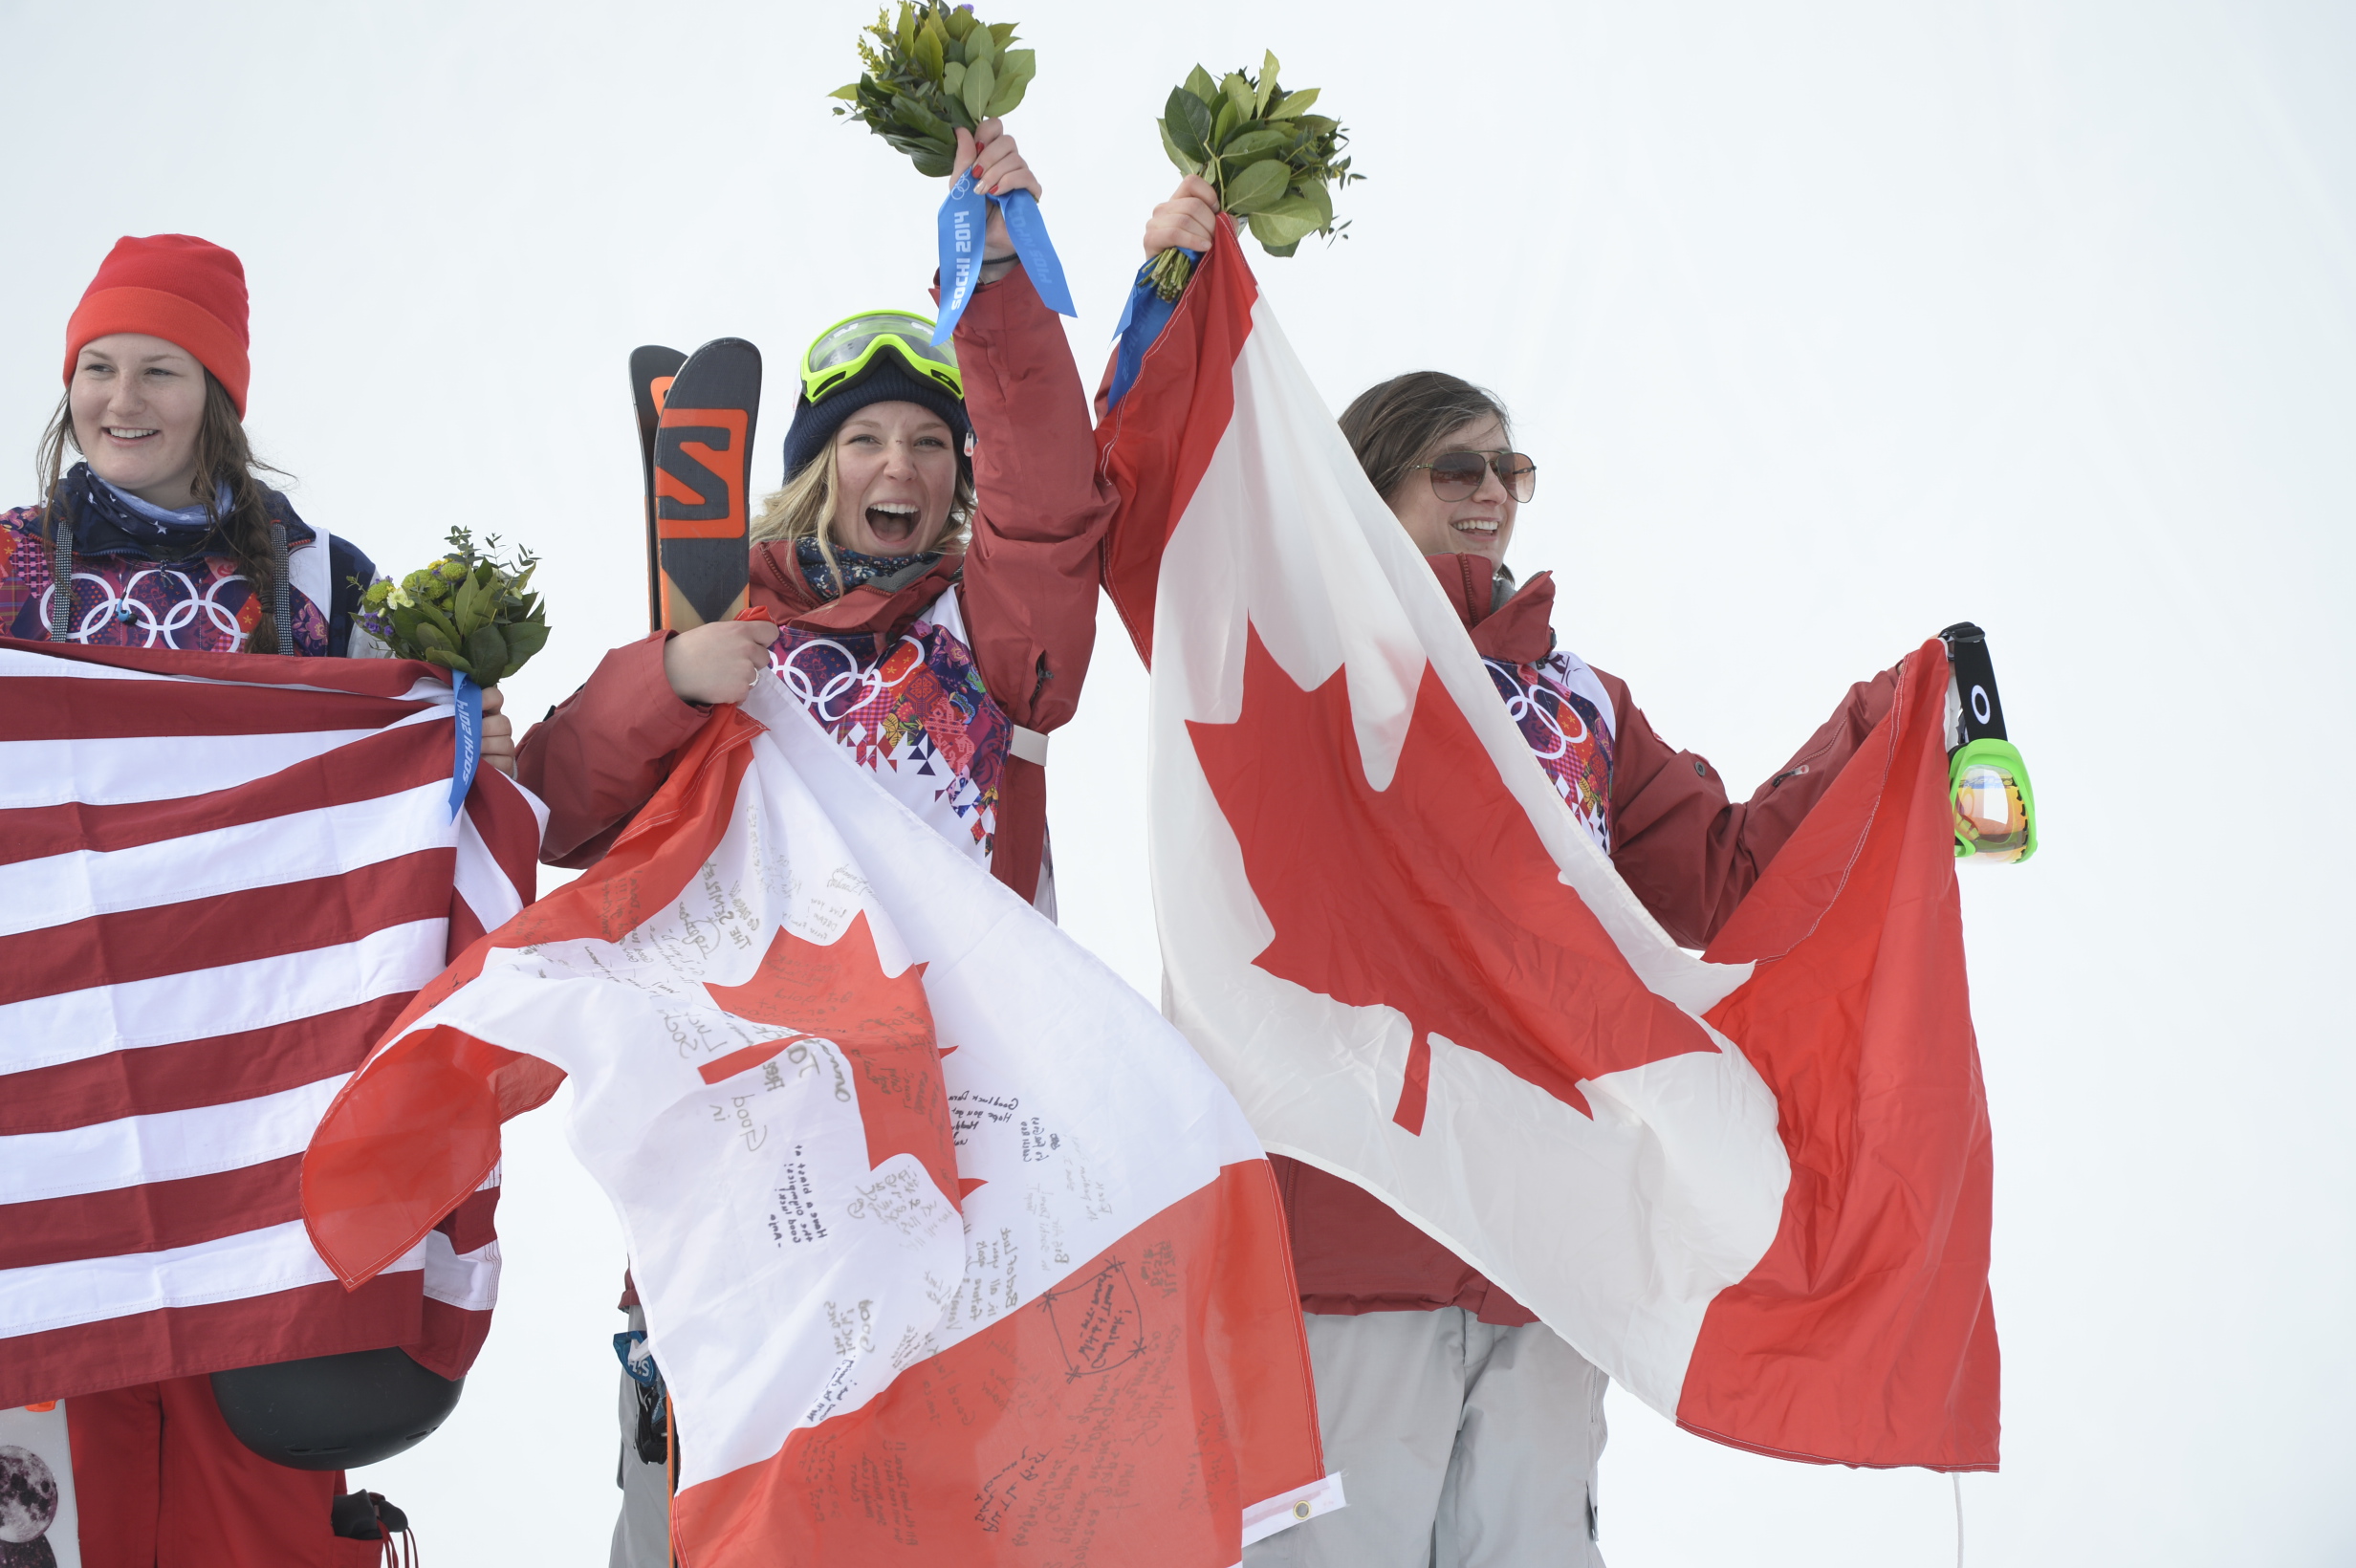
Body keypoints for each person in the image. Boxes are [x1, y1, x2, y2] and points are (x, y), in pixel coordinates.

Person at [1136, 179, 1903, 1568]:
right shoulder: (1314, 664)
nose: (1491, 493)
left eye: (1509, 469)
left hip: (1547, 1245)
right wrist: (1173, 305)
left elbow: (1720, 879)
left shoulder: (1580, 703)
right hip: (1353, 1230)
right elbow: (1166, 535)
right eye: (1455, 469)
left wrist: (1888, 735)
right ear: (1370, 490)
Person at [513, 123, 1112, 1567]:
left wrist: (1000, 283)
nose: (898, 466)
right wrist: (670, 678)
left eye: (930, 442)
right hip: (749, 1152)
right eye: (864, 440)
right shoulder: (720, 615)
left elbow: (1050, 513)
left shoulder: (996, 632)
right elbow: (560, 808)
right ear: (817, 464)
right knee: (707, 1527)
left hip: (949, 1143)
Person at [0, 234, 510, 1564]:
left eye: (159, 370)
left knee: (257, 1488)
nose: (122, 400)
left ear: (217, 394)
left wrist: (464, 748)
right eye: (98, 368)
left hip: (260, 1099)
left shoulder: (320, 583)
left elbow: (407, 803)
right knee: (54, 1496)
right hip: (53, 1104)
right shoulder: (8, 571)